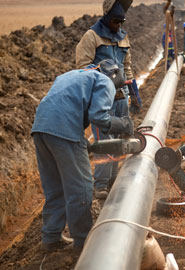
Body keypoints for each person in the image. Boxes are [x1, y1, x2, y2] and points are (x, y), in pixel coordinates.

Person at [32, 59, 134, 253]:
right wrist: (124, 124)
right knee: (81, 188)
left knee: (55, 187)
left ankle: (51, 237)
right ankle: (83, 242)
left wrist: (80, 138)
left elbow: (65, 105)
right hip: (63, 129)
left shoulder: (72, 75)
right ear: (115, 77)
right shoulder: (105, 81)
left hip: (41, 128)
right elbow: (99, 117)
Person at [76, 0, 141, 199]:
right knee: (104, 140)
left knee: (120, 139)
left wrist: (134, 93)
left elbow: (127, 67)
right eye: (115, 21)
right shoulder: (92, 37)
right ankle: (101, 185)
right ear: (106, 17)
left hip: (121, 97)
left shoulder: (123, 38)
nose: (118, 25)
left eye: (121, 22)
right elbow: (82, 67)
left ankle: (113, 179)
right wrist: (104, 73)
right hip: (101, 100)